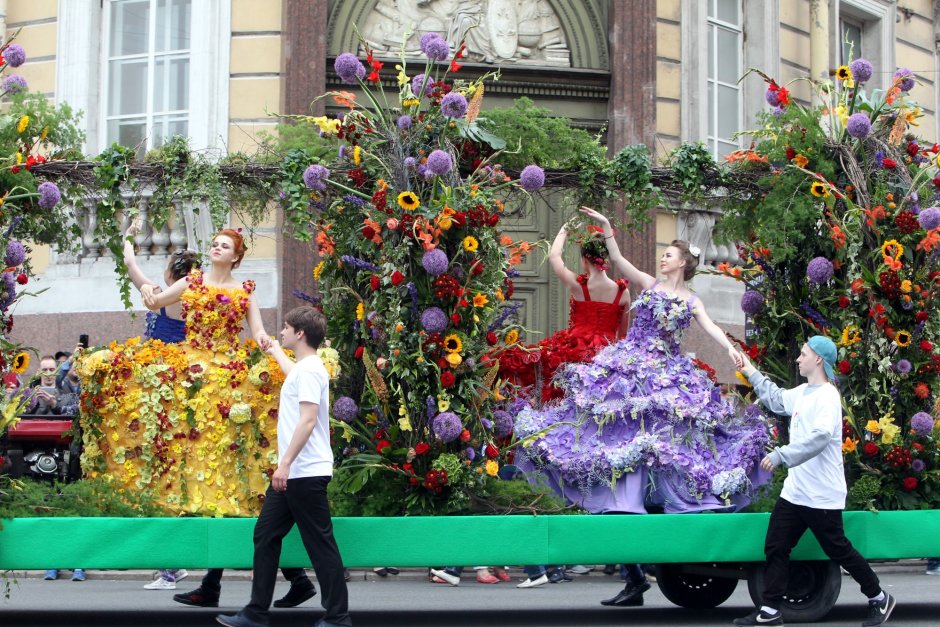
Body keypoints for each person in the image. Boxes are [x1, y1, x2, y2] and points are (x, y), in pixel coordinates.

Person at [512, 207, 769, 606]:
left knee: (663, 454)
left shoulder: (691, 300)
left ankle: (656, 553)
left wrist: (734, 353)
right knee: (612, 449)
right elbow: (618, 261)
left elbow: (713, 327)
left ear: (683, 262)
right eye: (663, 253)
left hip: (666, 378)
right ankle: (634, 570)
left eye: (669, 253)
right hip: (627, 372)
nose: (662, 257)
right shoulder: (648, 284)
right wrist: (608, 230)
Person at [78, 228, 282, 516]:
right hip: (191, 365)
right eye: (214, 244)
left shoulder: (244, 291)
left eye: (224, 246)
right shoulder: (192, 281)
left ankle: (230, 496)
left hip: (228, 367)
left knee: (226, 434)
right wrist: (148, 290)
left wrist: (270, 347)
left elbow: (259, 331)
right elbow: (156, 303)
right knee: (183, 432)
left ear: (236, 256)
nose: (216, 248)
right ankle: (172, 496)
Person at [733, 337, 896, 627]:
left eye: (803, 353)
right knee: (776, 545)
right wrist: (749, 370)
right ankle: (770, 611)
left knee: (838, 549)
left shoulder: (828, 397)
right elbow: (775, 398)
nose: (798, 358)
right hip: (796, 491)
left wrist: (783, 455)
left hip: (821, 493)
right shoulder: (803, 392)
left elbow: (819, 438)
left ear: (818, 359)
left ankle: (879, 598)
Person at [216, 306, 351, 627]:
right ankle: (256, 612)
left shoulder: (311, 370)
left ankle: (338, 617)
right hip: (298, 473)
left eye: (286, 329)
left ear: (300, 333)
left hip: (302, 473)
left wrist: (285, 464)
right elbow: (294, 377)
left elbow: (307, 421)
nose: (281, 332)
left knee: (320, 545)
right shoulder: (307, 368)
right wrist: (276, 350)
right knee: (265, 535)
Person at [498, 221, 630, 403]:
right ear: (605, 259)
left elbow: (554, 257)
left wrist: (564, 230)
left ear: (584, 259)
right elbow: (623, 335)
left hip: (574, 352)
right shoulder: (623, 293)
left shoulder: (578, 286)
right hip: (606, 358)